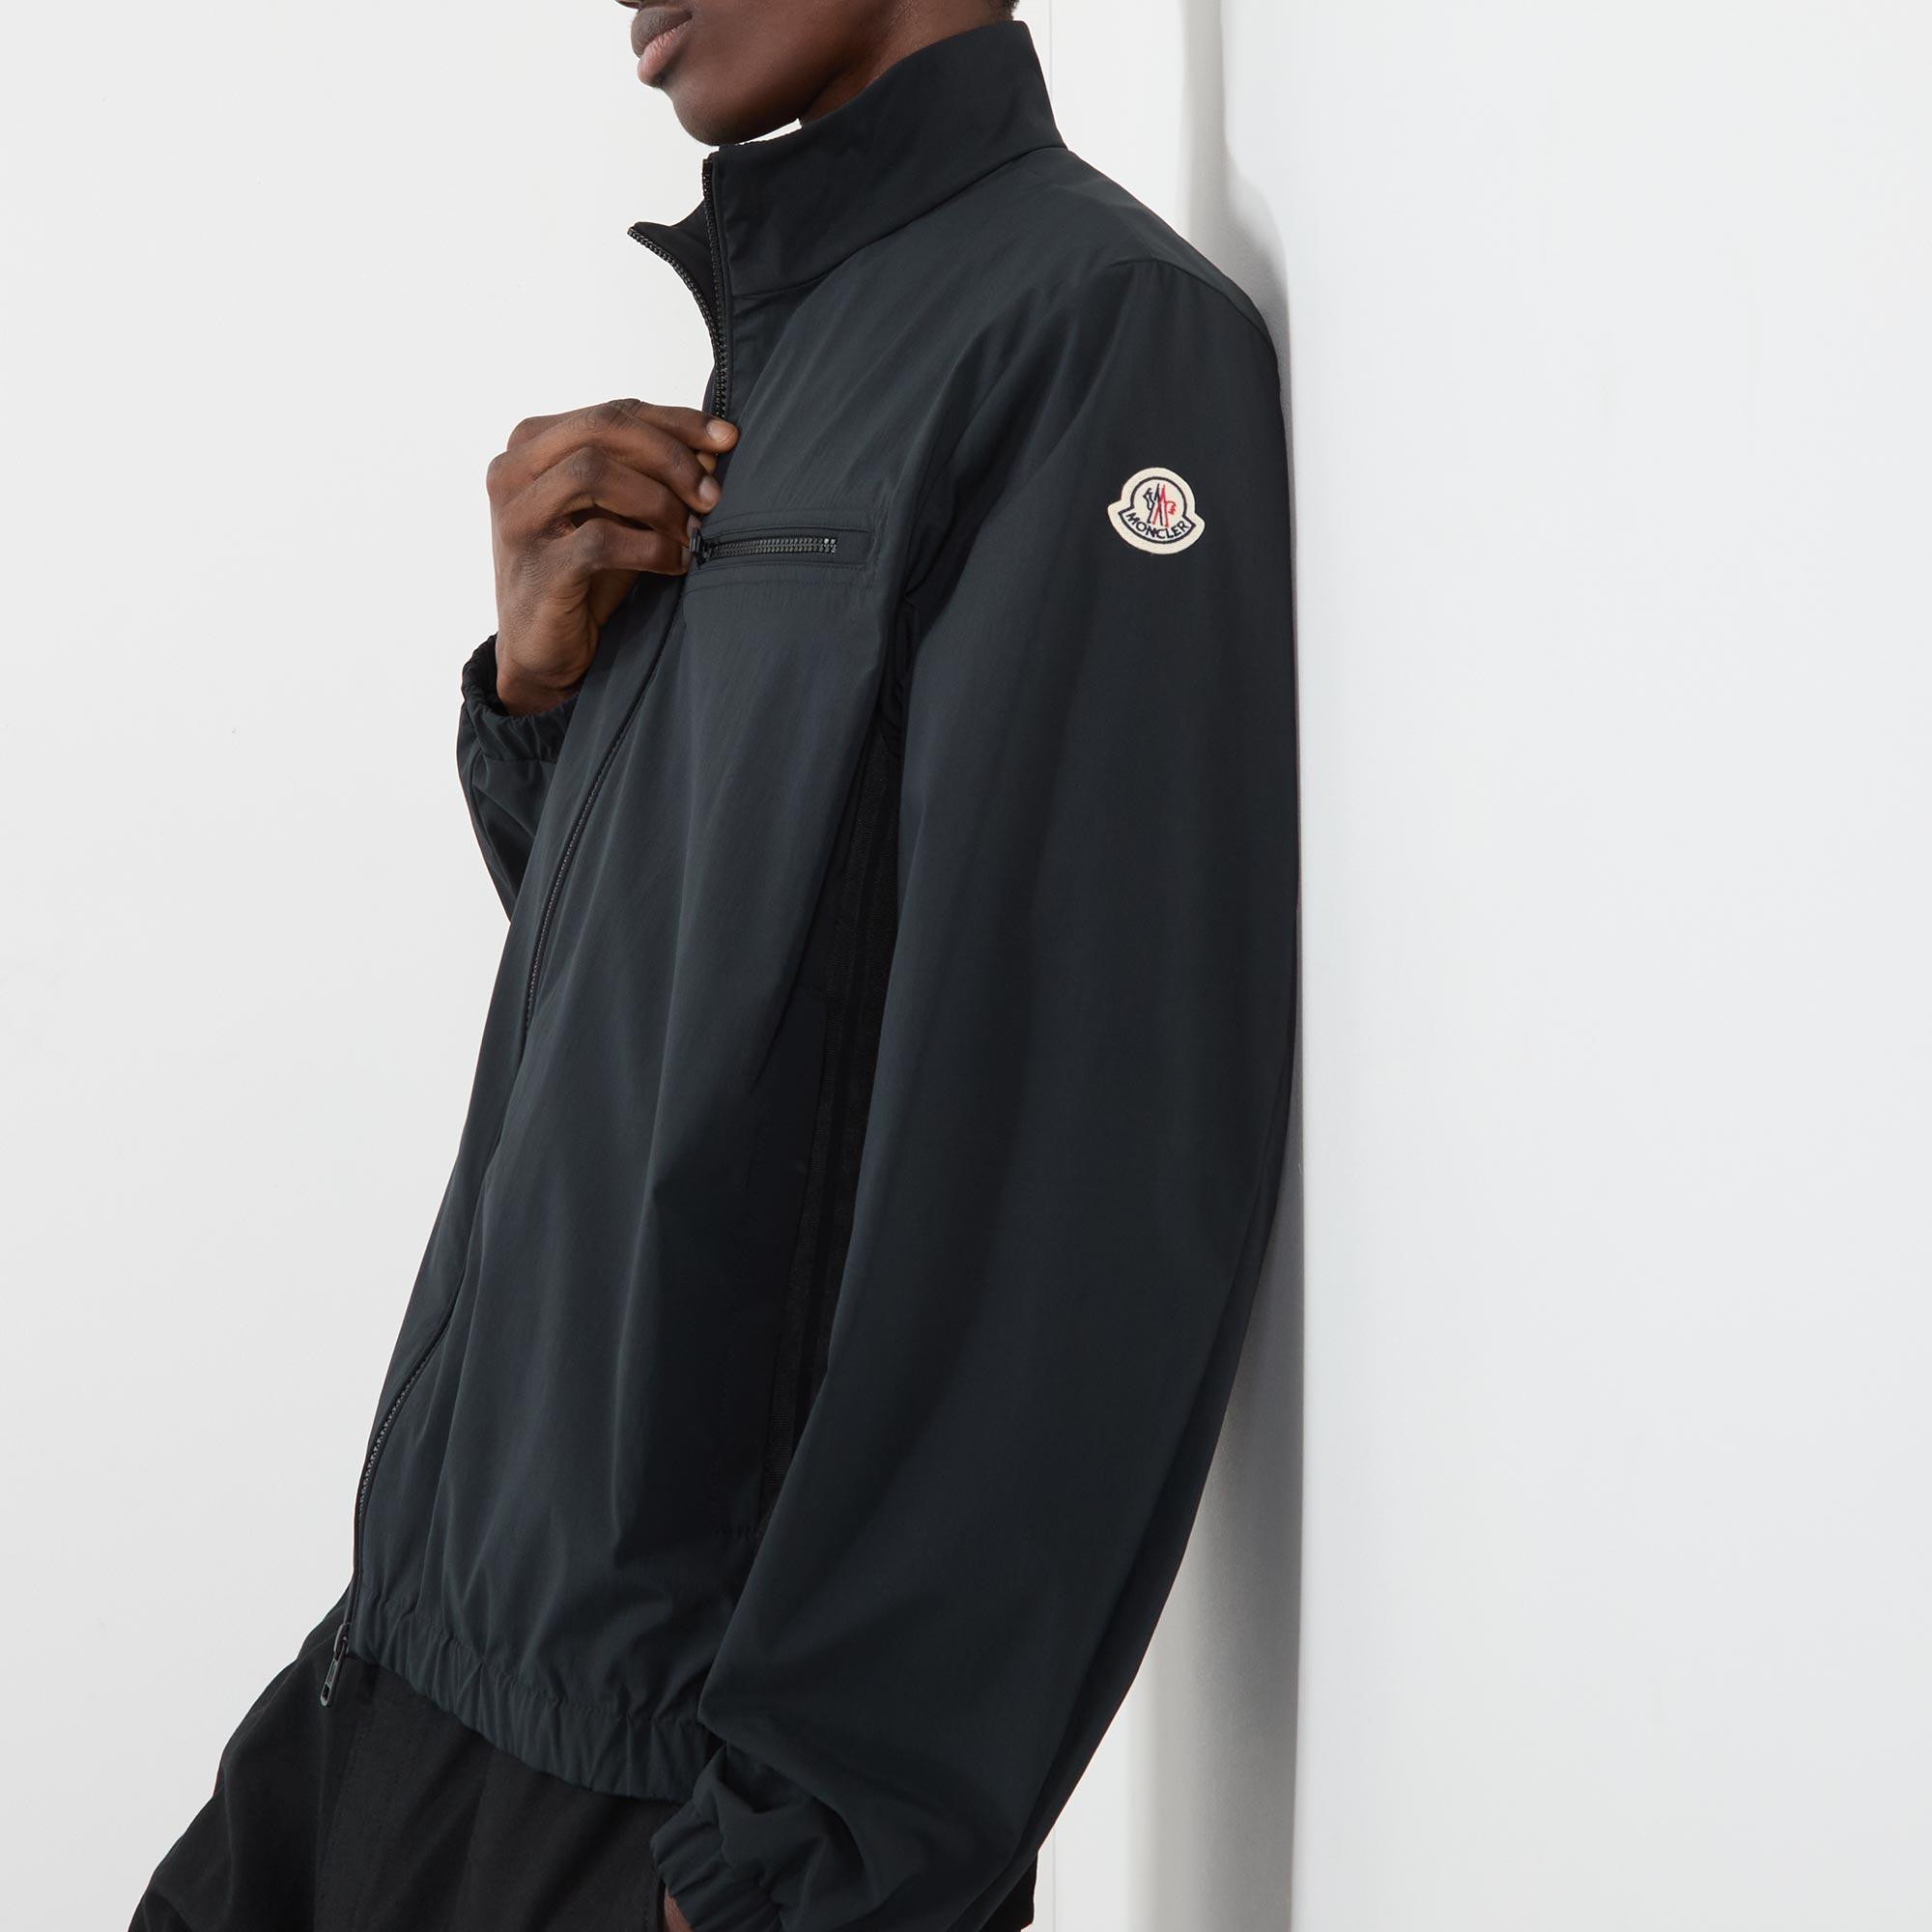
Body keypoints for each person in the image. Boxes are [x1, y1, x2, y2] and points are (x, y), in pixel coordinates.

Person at [129, 4, 1299, 1929]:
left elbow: (1070, 1175)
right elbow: (733, 1022)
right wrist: (543, 708)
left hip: (663, 1800)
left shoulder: (1093, 335)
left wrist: (807, 1848)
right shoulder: (791, 349)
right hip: (400, 1680)